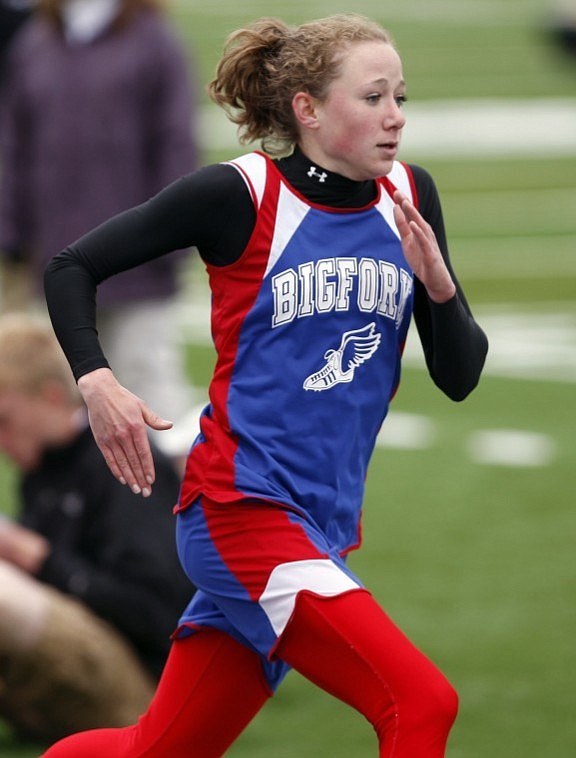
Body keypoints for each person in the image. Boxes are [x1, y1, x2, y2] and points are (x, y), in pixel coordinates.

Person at [41, 13, 489, 757]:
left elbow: (460, 376)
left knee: (154, 751)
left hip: (321, 528)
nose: (395, 117)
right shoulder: (242, 194)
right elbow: (70, 267)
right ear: (308, 110)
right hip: (239, 512)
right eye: (373, 97)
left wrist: (439, 288)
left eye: (400, 97)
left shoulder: (409, 195)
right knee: (420, 703)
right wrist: (97, 380)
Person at [0, 0, 199, 458]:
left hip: (136, 269)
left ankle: (177, 517)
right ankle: (81, 519)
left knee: (153, 399)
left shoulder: (154, 44)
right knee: (63, 407)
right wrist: (12, 234)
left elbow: (174, 145)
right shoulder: (36, 43)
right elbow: (15, 145)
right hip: (57, 261)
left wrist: (170, 239)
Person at [0, 313, 193, 743]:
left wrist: (36, 557)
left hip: (142, 687)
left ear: (51, 398)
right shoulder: (44, 467)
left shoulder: (117, 464)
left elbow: (157, 613)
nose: (1, 439)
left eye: (4, 420)